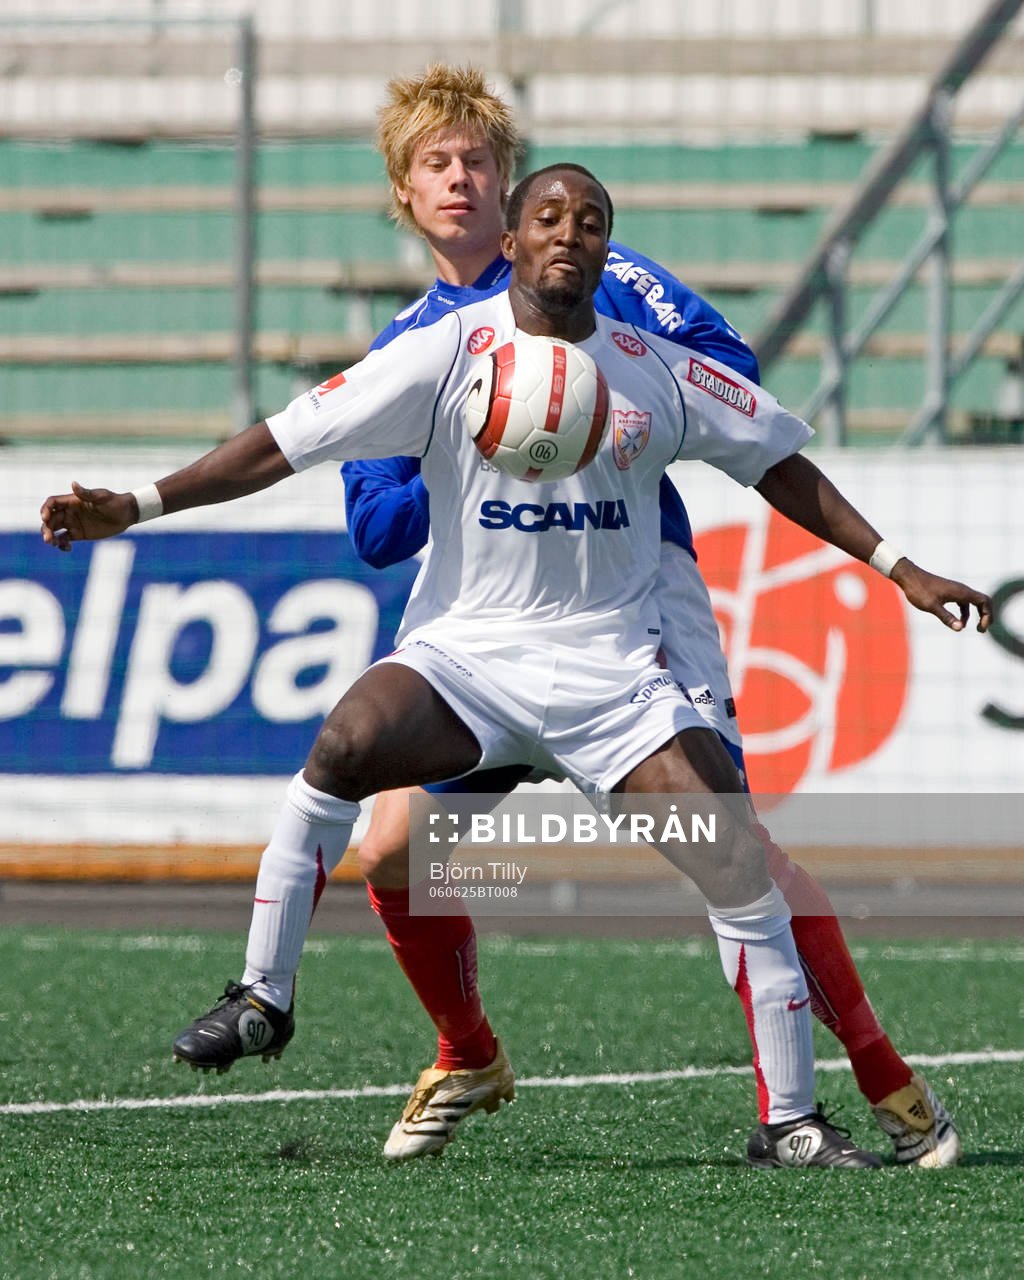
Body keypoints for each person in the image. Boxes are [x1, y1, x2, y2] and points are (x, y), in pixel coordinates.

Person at [341, 66, 972, 1166]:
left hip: (636, 602)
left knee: (727, 847)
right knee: (393, 847)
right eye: (434, 164)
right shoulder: (415, 343)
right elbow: (377, 527)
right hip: (491, 623)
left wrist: (604, 414)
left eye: (478, 161)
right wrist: (480, 455)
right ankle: (467, 1050)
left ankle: (877, 1078)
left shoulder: (595, 266)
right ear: (403, 191)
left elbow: (729, 379)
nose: (460, 181)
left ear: (509, 184)